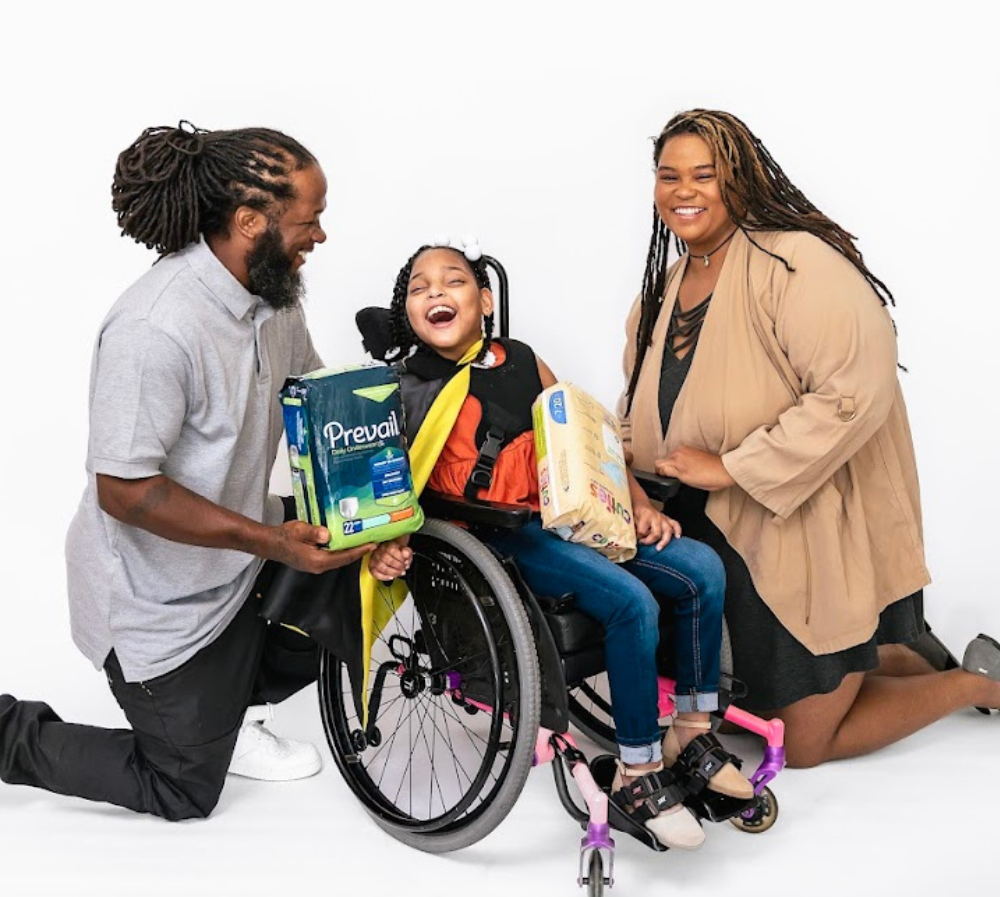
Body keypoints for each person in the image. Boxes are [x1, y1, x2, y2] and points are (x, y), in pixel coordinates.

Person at [0, 122, 373, 820]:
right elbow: (125, 492)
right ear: (249, 220)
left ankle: (232, 713)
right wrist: (274, 542)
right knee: (181, 788)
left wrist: (388, 425)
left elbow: (311, 393)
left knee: (375, 558)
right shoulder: (155, 327)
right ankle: (7, 732)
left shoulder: (275, 291)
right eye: (309, 221)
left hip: (240, 565)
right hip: (158, 604)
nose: (319, 237)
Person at [618, 108, 1000, 768]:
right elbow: (637, 399)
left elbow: (860, 386)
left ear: (741, 179)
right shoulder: (667, 284)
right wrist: (616, 469)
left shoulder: (794, 263)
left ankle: (973, 684)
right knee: (743, 708)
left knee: (800, 746)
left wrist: (734, 466)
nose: (684, 190)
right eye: (669, 175)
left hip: (797, 520)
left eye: (705, 175)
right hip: (703, 526)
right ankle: (900, 654)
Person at [368, 239, 755, 851]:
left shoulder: (521, 359)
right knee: (632, 603)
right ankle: (636, 769)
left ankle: (691, 728)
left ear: (484, 300)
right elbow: (382, 489)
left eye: (453, 282)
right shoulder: (404, 387)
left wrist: (641, 506)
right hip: (491, 539)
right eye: (420, 288)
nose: (436, 293)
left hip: (564, 515)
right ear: (407, 310)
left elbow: (588, 438)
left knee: (700, 568)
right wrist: (386, 546)